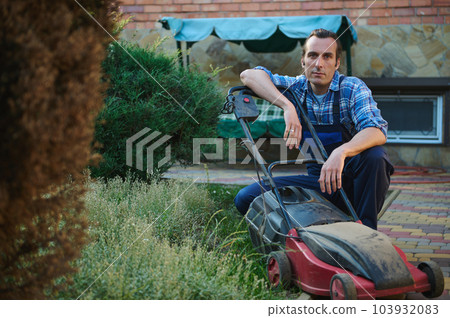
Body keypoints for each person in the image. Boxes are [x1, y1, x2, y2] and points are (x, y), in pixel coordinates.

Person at [234, 28, 394, 230]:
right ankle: (297, 236)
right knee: (245, 198)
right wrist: (287, 106)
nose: (319, 64)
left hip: (354, 187)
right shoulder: (296, 89)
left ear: (337, 63)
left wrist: (341, 152)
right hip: (318, 183)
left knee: (376, 156)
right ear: (303, 61)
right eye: (312, 55)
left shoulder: (352, 88)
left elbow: (376, 130)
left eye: (327, 56)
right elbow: (249, 75)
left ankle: (366, 231)